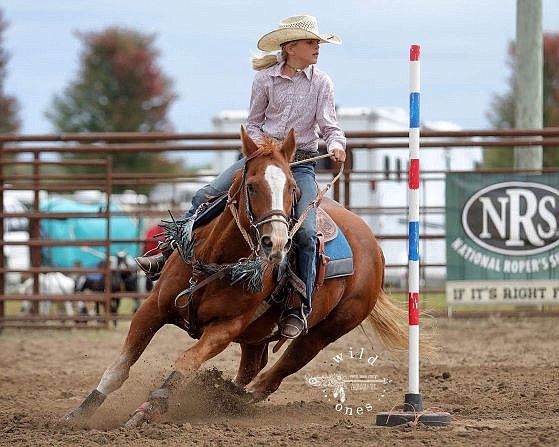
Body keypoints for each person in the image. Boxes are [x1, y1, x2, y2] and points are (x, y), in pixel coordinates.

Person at [136, 14, 346, 338]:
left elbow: (330, 126)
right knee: (204, 196)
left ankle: (297, 305)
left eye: (317, 42)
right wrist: (261, 149)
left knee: (304, 233)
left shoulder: (322, 82)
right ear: (291, 47)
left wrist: (336, 145)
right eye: (311, 42)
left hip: (299, 163)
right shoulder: (264, 79)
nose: (317, 47)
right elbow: (254, 122)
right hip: (259, 160)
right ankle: (164, 256)